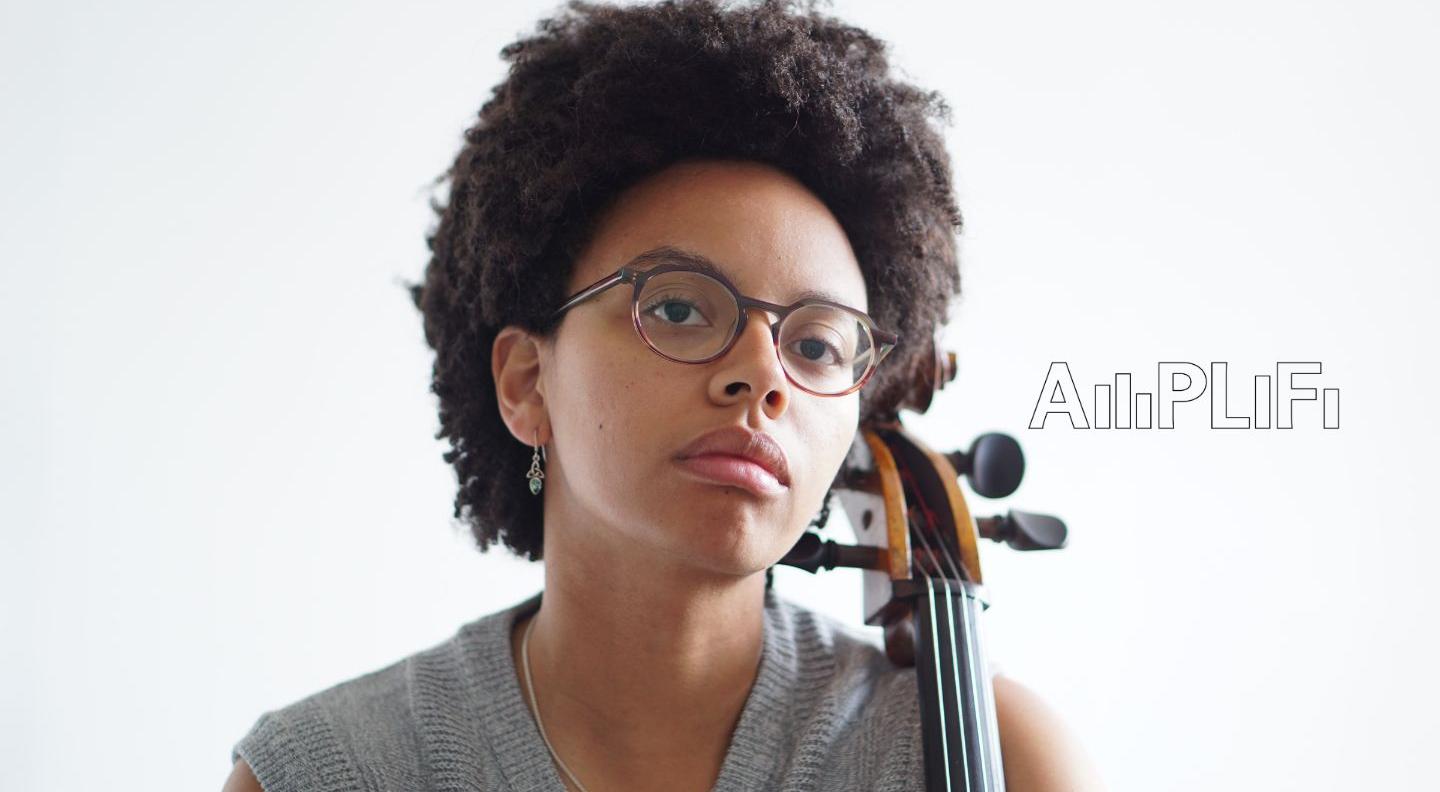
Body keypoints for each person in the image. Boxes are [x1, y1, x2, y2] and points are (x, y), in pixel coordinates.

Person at [225, 1, 1105, 789]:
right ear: (528, 383)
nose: (763, 376)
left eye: (816, 344)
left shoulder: (1005, 757)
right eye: (680, 307)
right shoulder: (328, 773)